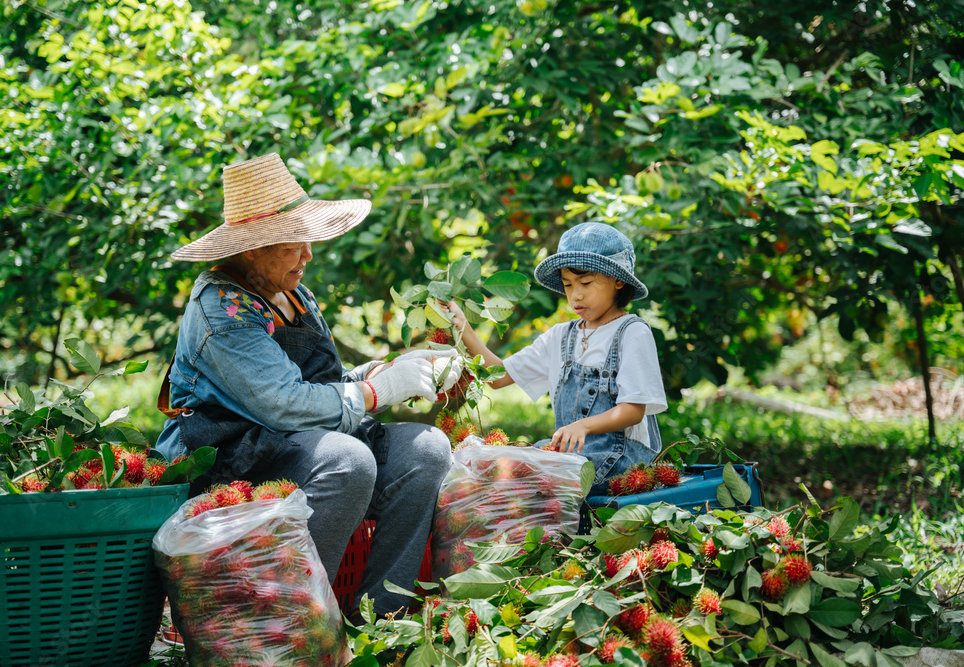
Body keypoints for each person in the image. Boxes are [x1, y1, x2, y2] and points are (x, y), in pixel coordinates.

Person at [154, 152, 463, 618]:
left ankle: (384, 618)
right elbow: (284, 404)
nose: (309, 254)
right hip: (231, 463)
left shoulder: (292, 291)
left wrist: (389, 371)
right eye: (294, 242)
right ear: (253, 249)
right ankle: (298, 623)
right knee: (347, 459)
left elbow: (325, 385)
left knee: (426, 449)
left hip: (297, 447)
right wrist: (380, 392)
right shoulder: (221, 309)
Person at [443, 222, 667, 496]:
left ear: (618, 281)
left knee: (519, 477)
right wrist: (462, 325)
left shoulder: (632, 333)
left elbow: (634, 410)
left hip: (619, 463)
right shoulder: (561, 336)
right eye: (568, 285)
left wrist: (582, 426)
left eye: (585, 283)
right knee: (487, 462)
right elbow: (498, 376)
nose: (576, 295)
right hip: (569, 457)